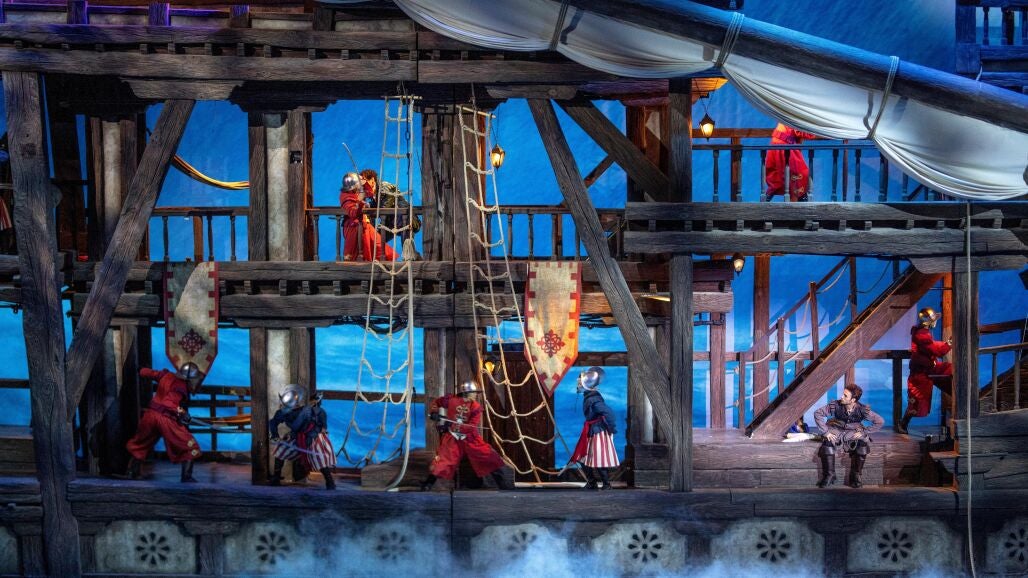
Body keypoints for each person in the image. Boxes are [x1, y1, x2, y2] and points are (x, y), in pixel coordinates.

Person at [420, 380, 512, 491]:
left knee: (488, 456)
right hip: (453, 438)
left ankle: (503, 485)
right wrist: (434, 412)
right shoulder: (451, 400)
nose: (475, 395)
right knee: (443, 461)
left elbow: (471, 426)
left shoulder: (476, 407)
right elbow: (436, 402)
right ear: (467, 393)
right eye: (474, 392)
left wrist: (454, 425)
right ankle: (428, 484)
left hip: (470, 438)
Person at [125, 362, 205, 483]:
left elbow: (152, 373)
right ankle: (187, 476)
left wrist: (141, 370)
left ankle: (132, 472)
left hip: (150, 416)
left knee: (141, 443)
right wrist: (183, 413)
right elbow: (168, 403)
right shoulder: (181, 386)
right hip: (166, 419)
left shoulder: (166, 375)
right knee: (188, 445)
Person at [813, 383, 884, 488]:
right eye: (843, 394)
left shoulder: (862, 409)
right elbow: (818, 413)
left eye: (845, 396)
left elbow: (879, 421)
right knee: (827, 445)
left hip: (852, 433)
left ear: (853, 400)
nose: (842, 397)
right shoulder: (836, 405)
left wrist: (864, 432)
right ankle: (830, 475)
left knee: (862, 447)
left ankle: (856, 476)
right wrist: (826, 432)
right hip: (836, 430)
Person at [896, 307, 953, 434]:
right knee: (916, 402)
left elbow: (933, 345)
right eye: (933, 320)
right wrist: (948, 344)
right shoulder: (921, 334)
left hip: (929, 369)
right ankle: (903, 423)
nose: (935, 321)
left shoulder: (923, 332)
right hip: (920, 373)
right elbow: (936, 350)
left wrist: (946, 344)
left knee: (950, 369)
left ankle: (958, 396)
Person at [269, 384, 336, 490]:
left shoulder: (313, 410)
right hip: (297, 437)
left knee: (319, 458)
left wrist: (321, 429)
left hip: (313, 436)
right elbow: (273, 423)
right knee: (280, 451)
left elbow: (322, 423)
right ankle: (276, 478)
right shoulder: (282, 412)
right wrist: (275, 435)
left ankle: (330, 482)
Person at [569, 367, 619, 490]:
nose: (578, 385)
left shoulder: (593, 399)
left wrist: (611, 428)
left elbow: (609, 413)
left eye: (580, 383)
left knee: (598, 457)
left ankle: (606, 484)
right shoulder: (589, 396)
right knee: (583, 457)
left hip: (598, 432)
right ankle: (592, 482)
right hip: (591, 430)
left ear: (586, 385)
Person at [339, 171, 398, 262]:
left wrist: (363, 181)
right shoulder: (345, 196)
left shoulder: (356, 191)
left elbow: (370, 192)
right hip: (353, 228)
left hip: (364, 225)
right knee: (354, 255)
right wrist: (360, 201)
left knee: (380, 247)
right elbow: (352, 212)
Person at [359, 169, 421, 247]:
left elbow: (385, 206)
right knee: (375, 241)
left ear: (372, 180)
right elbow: (375, 206)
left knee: (407, 247)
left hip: (404, 220)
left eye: (364, 181)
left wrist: (370, 207)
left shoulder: (385, 187)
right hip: (391, 222)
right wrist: (367, 204)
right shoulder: (374, 194)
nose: (363, 185)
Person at [765, 123, 817, 202]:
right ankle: (799, 201)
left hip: (778, 143)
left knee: (779, 177)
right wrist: (816, 130)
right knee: (798, 175)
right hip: (784, 145)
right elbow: (799, 130)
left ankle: (767, 198)